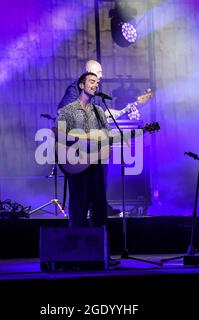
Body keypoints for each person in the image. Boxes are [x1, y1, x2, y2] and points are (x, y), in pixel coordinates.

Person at [56, 72, 120, 265]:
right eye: (92, 82)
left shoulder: (100, 111)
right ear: (82, 85)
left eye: (97, 82)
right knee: (78, 209)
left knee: (100, 209)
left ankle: (101, 254)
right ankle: (77, 255)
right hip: (76, 165)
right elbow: (58, 134)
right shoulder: (68, 110)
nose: (95, 85)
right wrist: (83, 139)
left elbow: (108, 135)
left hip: (96, 165)